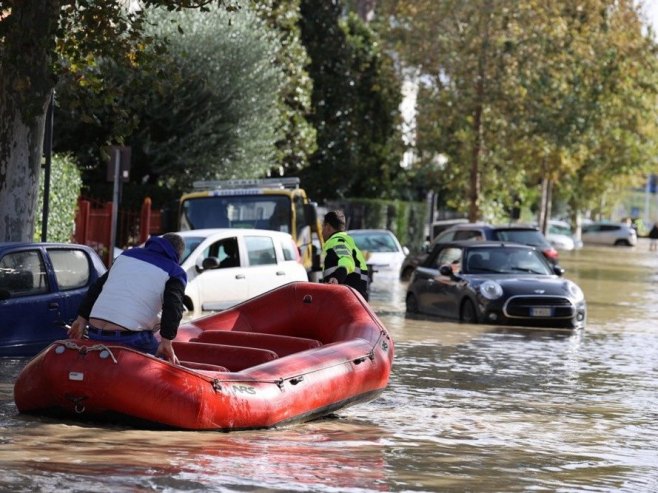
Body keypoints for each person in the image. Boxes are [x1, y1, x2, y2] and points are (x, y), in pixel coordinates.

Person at [67, 233, 187, 364]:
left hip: (94, 332)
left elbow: (97, 287)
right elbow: (174, 307)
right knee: (165, 365)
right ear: (178, 255)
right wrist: (166, 341)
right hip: (129, 338)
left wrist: (81, 319)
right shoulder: (175, 272)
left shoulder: (126, 255)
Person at [321, 210, 370, 300]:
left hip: (346, 300)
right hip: (357, 301)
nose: (322, 232)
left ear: (328, 227)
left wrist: (337, 278)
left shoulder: (337, 241)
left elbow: (347, 261)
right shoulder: (351, 245)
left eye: (322, 227)